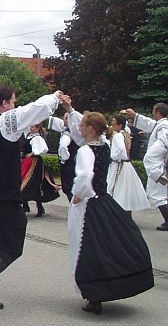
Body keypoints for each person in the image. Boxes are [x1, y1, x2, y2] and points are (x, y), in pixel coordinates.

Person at [0, 84, 63, 312]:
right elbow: (36, 108)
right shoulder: (5, 120)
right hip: (2, 195)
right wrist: (55, 97)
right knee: (11, 246)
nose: (15, 105)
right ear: (4, 103)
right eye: (13, 101)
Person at [67, 111, 153, 314]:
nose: (79, 128)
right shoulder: (104, 144)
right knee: (109, 245)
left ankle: (92, 295)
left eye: (82, 125)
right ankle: (103, 290)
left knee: (85, 247)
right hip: (105, 202)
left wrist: (79, 193)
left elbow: (85, 175)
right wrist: (71, 111)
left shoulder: (86, 151)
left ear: (90, 129)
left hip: (88, 204)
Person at [125, 103, 168, 230]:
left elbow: (165, 140)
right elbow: (149, 124)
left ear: (157, 112)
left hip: (157, 167)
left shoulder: (163, 126)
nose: (152, 113)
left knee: (157, 195)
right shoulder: (160, 124)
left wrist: (153, 154)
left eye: (153, 111)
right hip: (157, 167)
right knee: (155, 193)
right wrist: (135, 116)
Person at [106, 114, 149, 215]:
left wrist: (115, 157)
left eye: (114, 123)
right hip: (126, 164)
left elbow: (121, 149)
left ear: (119, 125)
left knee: (115, 187)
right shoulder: (126, 133)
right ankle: (126, 211)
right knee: (126, 189)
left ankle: (116, 212)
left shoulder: (117, 136)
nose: (112, 125)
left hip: (119, 164)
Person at [20, 123, 60, 217]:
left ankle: (39, 207)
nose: (30, 128)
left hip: (34, 163)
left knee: (33, 183)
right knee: (22, 181)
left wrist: (33, 153)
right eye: (30, 126)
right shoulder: (29, 135)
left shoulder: (37, 138)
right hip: (26, 162)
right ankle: (25, 205)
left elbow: (44, 149)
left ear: (38, 128)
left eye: (33, 126)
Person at [48, 113, 80, 202]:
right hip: (75, 162)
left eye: (65, 118)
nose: (63, 120)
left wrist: (64, 159)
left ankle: (74, 210)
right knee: (72, 187)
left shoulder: (67, 133)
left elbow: (63, 146)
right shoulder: (76, 133)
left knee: (68, 188)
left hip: (68, 164)